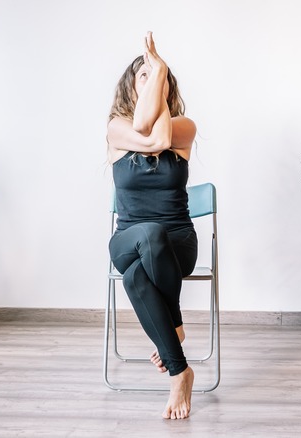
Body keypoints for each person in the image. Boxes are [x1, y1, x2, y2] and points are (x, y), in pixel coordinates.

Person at [107, 31, 198, 420]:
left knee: (135, 278)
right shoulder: (116, 127)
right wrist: (156, 72)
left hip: (178, 243)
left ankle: (179, 372)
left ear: (168, 87)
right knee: (147, 233)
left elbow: (158, 135)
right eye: (143, 75)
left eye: (159, 76)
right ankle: (174, 325)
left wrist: (155, 77)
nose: (151, 80)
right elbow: (149, 132)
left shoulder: (185, 126)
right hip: (127, 240)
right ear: (130, 87)